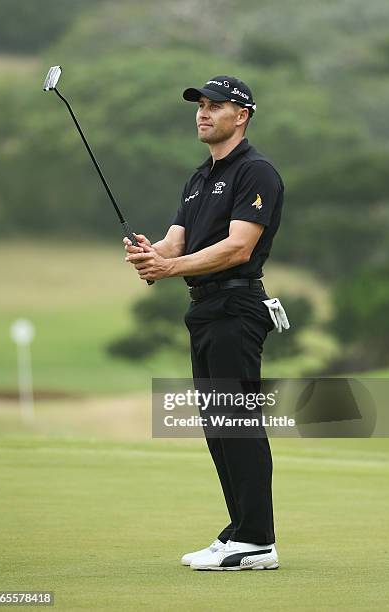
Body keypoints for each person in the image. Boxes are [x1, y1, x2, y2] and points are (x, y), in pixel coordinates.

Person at [124, 75, 287, 571]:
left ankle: (258, 539)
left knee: (237, 423)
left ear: (243, 115)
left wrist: (169, 268)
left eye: (216, 105)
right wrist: (150, 254)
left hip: (238, 308)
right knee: (218, 426)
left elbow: (239, 246)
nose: (203, 112)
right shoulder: (198, 180)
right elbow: (176, 243)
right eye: (200, 105)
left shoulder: (256, 172)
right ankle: (239, 530)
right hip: (205, 311)